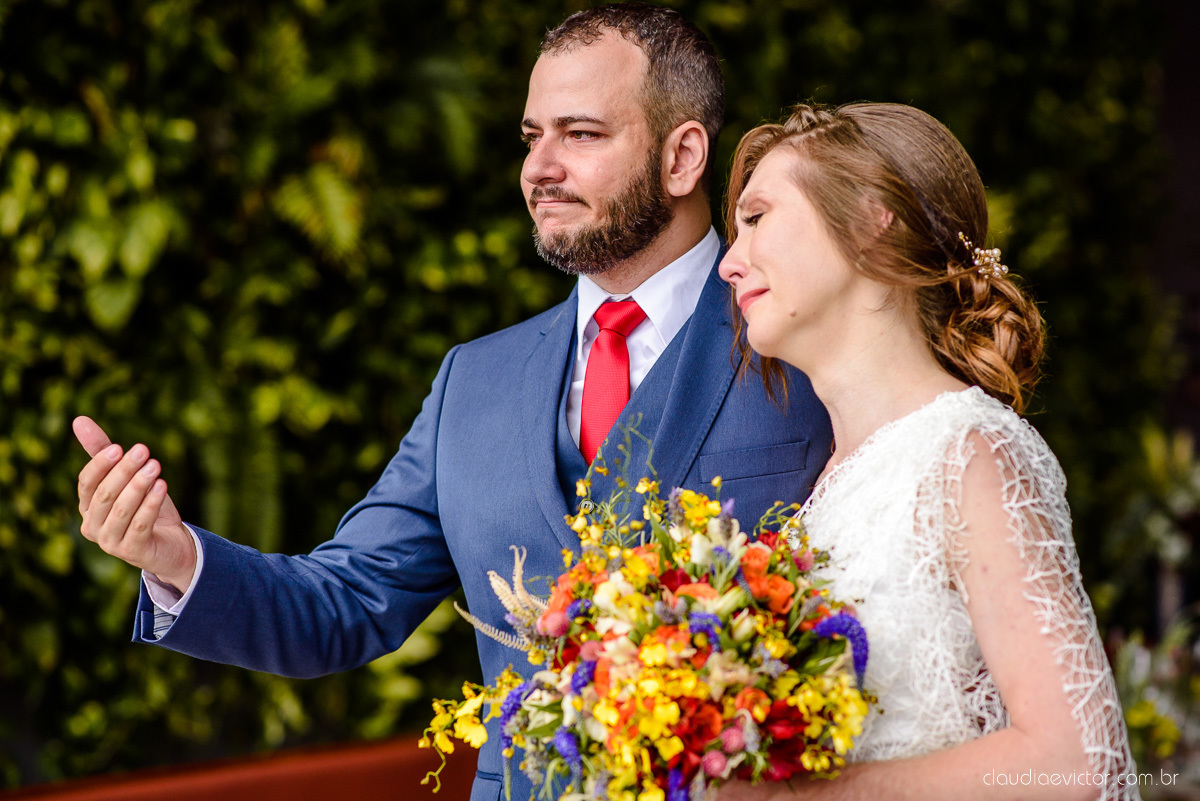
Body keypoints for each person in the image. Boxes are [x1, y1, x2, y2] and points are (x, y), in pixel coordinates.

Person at [70, 6, 832, 801]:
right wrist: (177, 557)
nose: (540, 168)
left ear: (682, 157)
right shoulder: (475, 379)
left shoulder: (803, 345)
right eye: (531, 136)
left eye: (580, 135)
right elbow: (345, 603)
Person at [716, 103, 1138, 800]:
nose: (731, 262)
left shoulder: (970, 454)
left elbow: (1079, 760)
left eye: (756, 217)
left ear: (869, 219)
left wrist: (800, 797)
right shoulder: (820, 495)